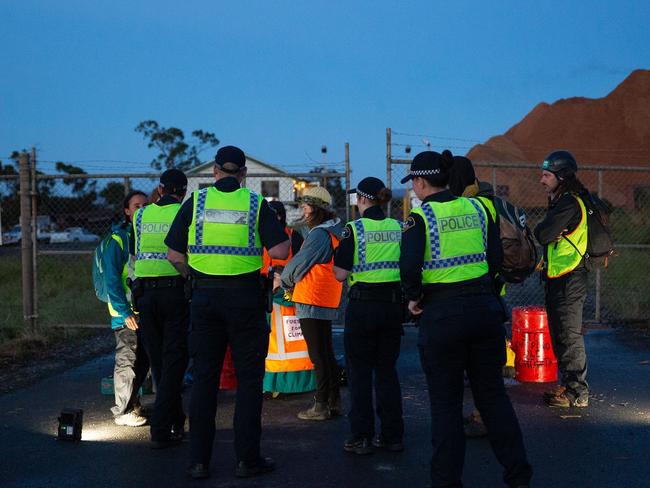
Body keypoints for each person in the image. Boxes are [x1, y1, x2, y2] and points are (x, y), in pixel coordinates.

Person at [400, 150, 532, 488]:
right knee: (493, 398)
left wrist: (413, 299)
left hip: (442, 317)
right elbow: (495, 258)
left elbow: (410, 267)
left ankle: (446, 482)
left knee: (446, 405)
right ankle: (518, 476)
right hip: (485, 311)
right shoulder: (478, 209)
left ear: (420, 181)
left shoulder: (420, 217)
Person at [165, 146, 289, 480]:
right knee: (249, 382)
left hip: (204, 298)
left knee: (205, 380)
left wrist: (195, 274)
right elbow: (280, 249)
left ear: (216, 172)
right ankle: (247, 459)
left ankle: (198, 461)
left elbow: (173, 254)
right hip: (246, 299)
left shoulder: (196, 202)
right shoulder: (255, 203)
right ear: (244, 173)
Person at [332, 176, 404, 455]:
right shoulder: (399, 227)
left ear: (362, 199)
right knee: (387, 371)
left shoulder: (354, 230)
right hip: (391, 307)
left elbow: (340, 273)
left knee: (360, 373)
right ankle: (392, 435)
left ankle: (361, 436)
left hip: (362, 308)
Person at [130, 169, 189, 449]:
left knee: (159, 361)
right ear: (184, 192)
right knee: (175, 359)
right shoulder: (185, 213)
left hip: (145, 295)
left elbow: (135, 252)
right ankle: (162, 426)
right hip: (175, 292)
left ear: (161, 190)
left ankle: (175, 418)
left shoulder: (141, 215)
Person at [280, 186, 343, 421]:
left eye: (305, 207)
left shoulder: (318, 235)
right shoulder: (334, 231)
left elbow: (296, 265)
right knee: (326, 353)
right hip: (325, 297)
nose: (302, 212)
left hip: (311, 298)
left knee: (318, 356)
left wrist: (284, 281)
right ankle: (333, 400)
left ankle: (321, 406)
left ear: (317, 209)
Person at [534, 150, 590, 408]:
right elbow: (547, 234)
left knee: (569, 335)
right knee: (560, 334)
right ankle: (568, 386)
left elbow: (543, 233)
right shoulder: (562, 201)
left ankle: (578, 392)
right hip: (559, 276)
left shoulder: (568, 203)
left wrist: (547, 231)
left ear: (561, 176)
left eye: (546, 175)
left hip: (570, 278)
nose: (542, 180)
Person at [104, 190, 150, 427]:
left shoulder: (145, 234)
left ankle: (132, 404)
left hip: (142, 310)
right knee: (127, 360)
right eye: (136, 205)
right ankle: (122, 412)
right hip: (126, 313)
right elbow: (111, 280)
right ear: (126, 211)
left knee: (141, 361)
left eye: (145, 205)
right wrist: (125, 312)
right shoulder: (118, 239)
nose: (141, 209)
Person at [260, 201, 315, 395]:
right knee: (273, 345)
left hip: (289, 294)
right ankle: (274, 384)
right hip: (268, 295)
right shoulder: (260, 237)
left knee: (296, 341)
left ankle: (297, 382)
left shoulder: (294, 237)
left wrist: (283, 278)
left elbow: (303, 265)